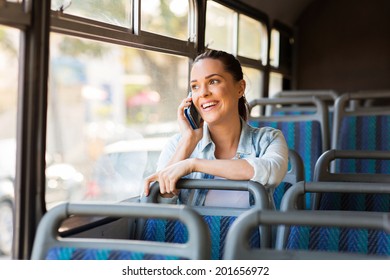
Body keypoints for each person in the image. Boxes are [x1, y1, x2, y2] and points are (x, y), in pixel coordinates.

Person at [143, 50, 288, 208]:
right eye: (195, 86)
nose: (203, 93)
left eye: (213, 81)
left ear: (240, 88)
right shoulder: (179, 144)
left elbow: (271, 172)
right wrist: (188, 142)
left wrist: (194, 164)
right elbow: (156, 207)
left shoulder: (268, 139)